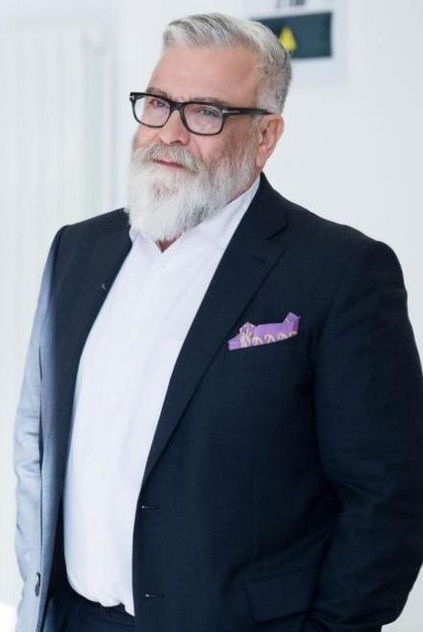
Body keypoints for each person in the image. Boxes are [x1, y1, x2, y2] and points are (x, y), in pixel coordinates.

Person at [13, 12, 423, 632]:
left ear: (265, 137)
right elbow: (37, 444)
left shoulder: (339, 271)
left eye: (205, 113)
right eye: (158, 103)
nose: (170, 133)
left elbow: (387, 498)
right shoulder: (78, 250)